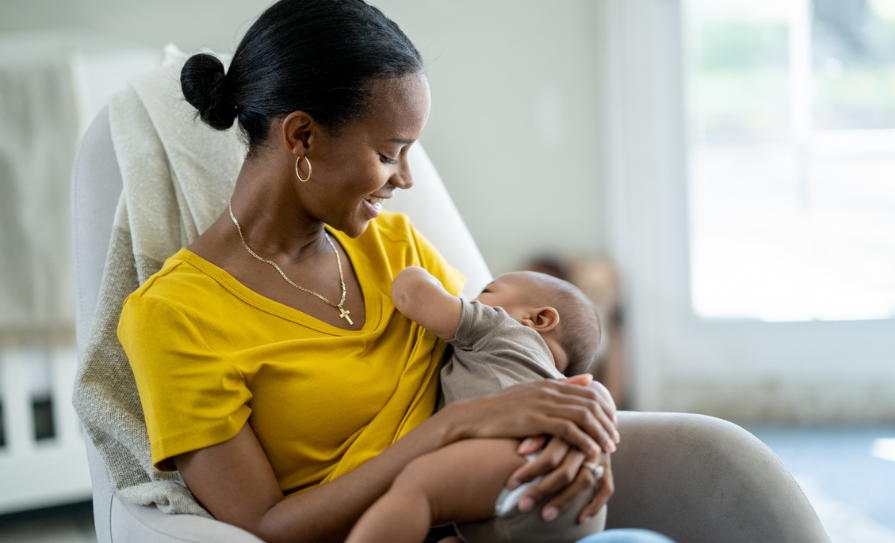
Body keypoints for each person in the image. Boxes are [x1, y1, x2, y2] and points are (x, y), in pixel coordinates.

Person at [117, 1, 675, 542]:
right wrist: (452, 430)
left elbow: (505, 357)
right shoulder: (175, 317)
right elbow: (262, 527)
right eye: (390, 154)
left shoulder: (399, 250)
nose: (404, 179)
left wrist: (581, 405)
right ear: (301, 136)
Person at [345, 267, 609, 543]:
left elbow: (411, 294)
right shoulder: (553, 378)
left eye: (486, 292)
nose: (471, 300)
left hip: (520, 457)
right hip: (579, 505)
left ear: (537, 319)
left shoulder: (502, 328)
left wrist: (414, 272)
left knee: (417, 487)